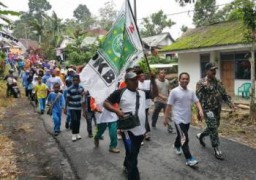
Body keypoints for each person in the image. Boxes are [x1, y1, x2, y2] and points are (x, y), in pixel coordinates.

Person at [103, 71, 158, 180]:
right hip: (127, 130)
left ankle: (126, 165)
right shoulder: (120, 92)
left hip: (141, 130)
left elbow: (154, 94)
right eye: (132, 80)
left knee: (133, 152)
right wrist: (116, 111)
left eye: (136, 79)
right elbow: (106, 103)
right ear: (126, 82)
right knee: (133, 157)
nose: (135, 82)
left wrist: (153, 80)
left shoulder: (142, 92)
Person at [196, 62, 236, 160]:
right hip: (207, 109)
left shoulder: (218, 82)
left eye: (215, 70)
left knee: (214, 126)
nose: (214, 72)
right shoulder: (200, 83)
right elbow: (197, 98)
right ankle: (216, 148)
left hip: (217, 109)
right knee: (213, 128)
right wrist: (198, 112)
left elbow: (224, 94)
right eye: (212, 70)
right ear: (206, 71)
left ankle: (201, 135)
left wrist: (231, 104)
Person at [164, 72, 204, 167]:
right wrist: (166, 118)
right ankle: (189, 159)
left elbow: (197, 101)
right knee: (185, 138)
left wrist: (200, 110)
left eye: (186, 79)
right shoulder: (174, 91)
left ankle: (177, 145)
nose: (185, 80)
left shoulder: (191, 91)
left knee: (181, 135)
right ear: (179, 79)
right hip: (178, 119)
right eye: (183, 78)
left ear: (188, 80)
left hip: (187, 118)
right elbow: (169, 106)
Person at [64, 75, 84, 142]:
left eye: (76, 80)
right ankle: (73, 134)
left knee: (78, 120)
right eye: (74, 80)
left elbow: (83, 97)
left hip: (79, 107)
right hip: (72, 107)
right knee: (74, 120)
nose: (75, 81)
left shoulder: (81, 88)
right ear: (72, 81)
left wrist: (84, 108)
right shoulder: (69, 89)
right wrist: (65, 108)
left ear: (79, 81)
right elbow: (67, 99)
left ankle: (77, 133)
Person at [137, 70, 151, 141]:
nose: (143, 77)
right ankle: (144, 133)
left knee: (144, 118)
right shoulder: (136, 83)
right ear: (138, 77)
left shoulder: (148, 82)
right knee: (142, 118)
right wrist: (146, 92)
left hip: (146, 104)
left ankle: (146, 133)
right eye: (141, 75)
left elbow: (150, 92)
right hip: (139, 104)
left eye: (143, 75)